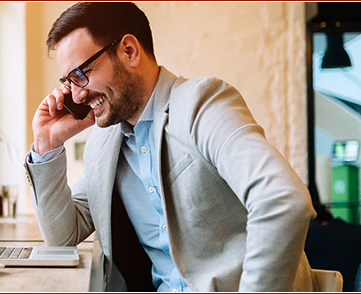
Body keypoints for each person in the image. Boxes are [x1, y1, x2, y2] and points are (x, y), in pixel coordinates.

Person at [24, 2, 316, 292]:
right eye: (68, 81)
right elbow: (63, 238)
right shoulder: (104, 142)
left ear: (129, 51)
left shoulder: (202, 104)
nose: (77, 93)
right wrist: (47, 144)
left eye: (81, 74)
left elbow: (282, 200)